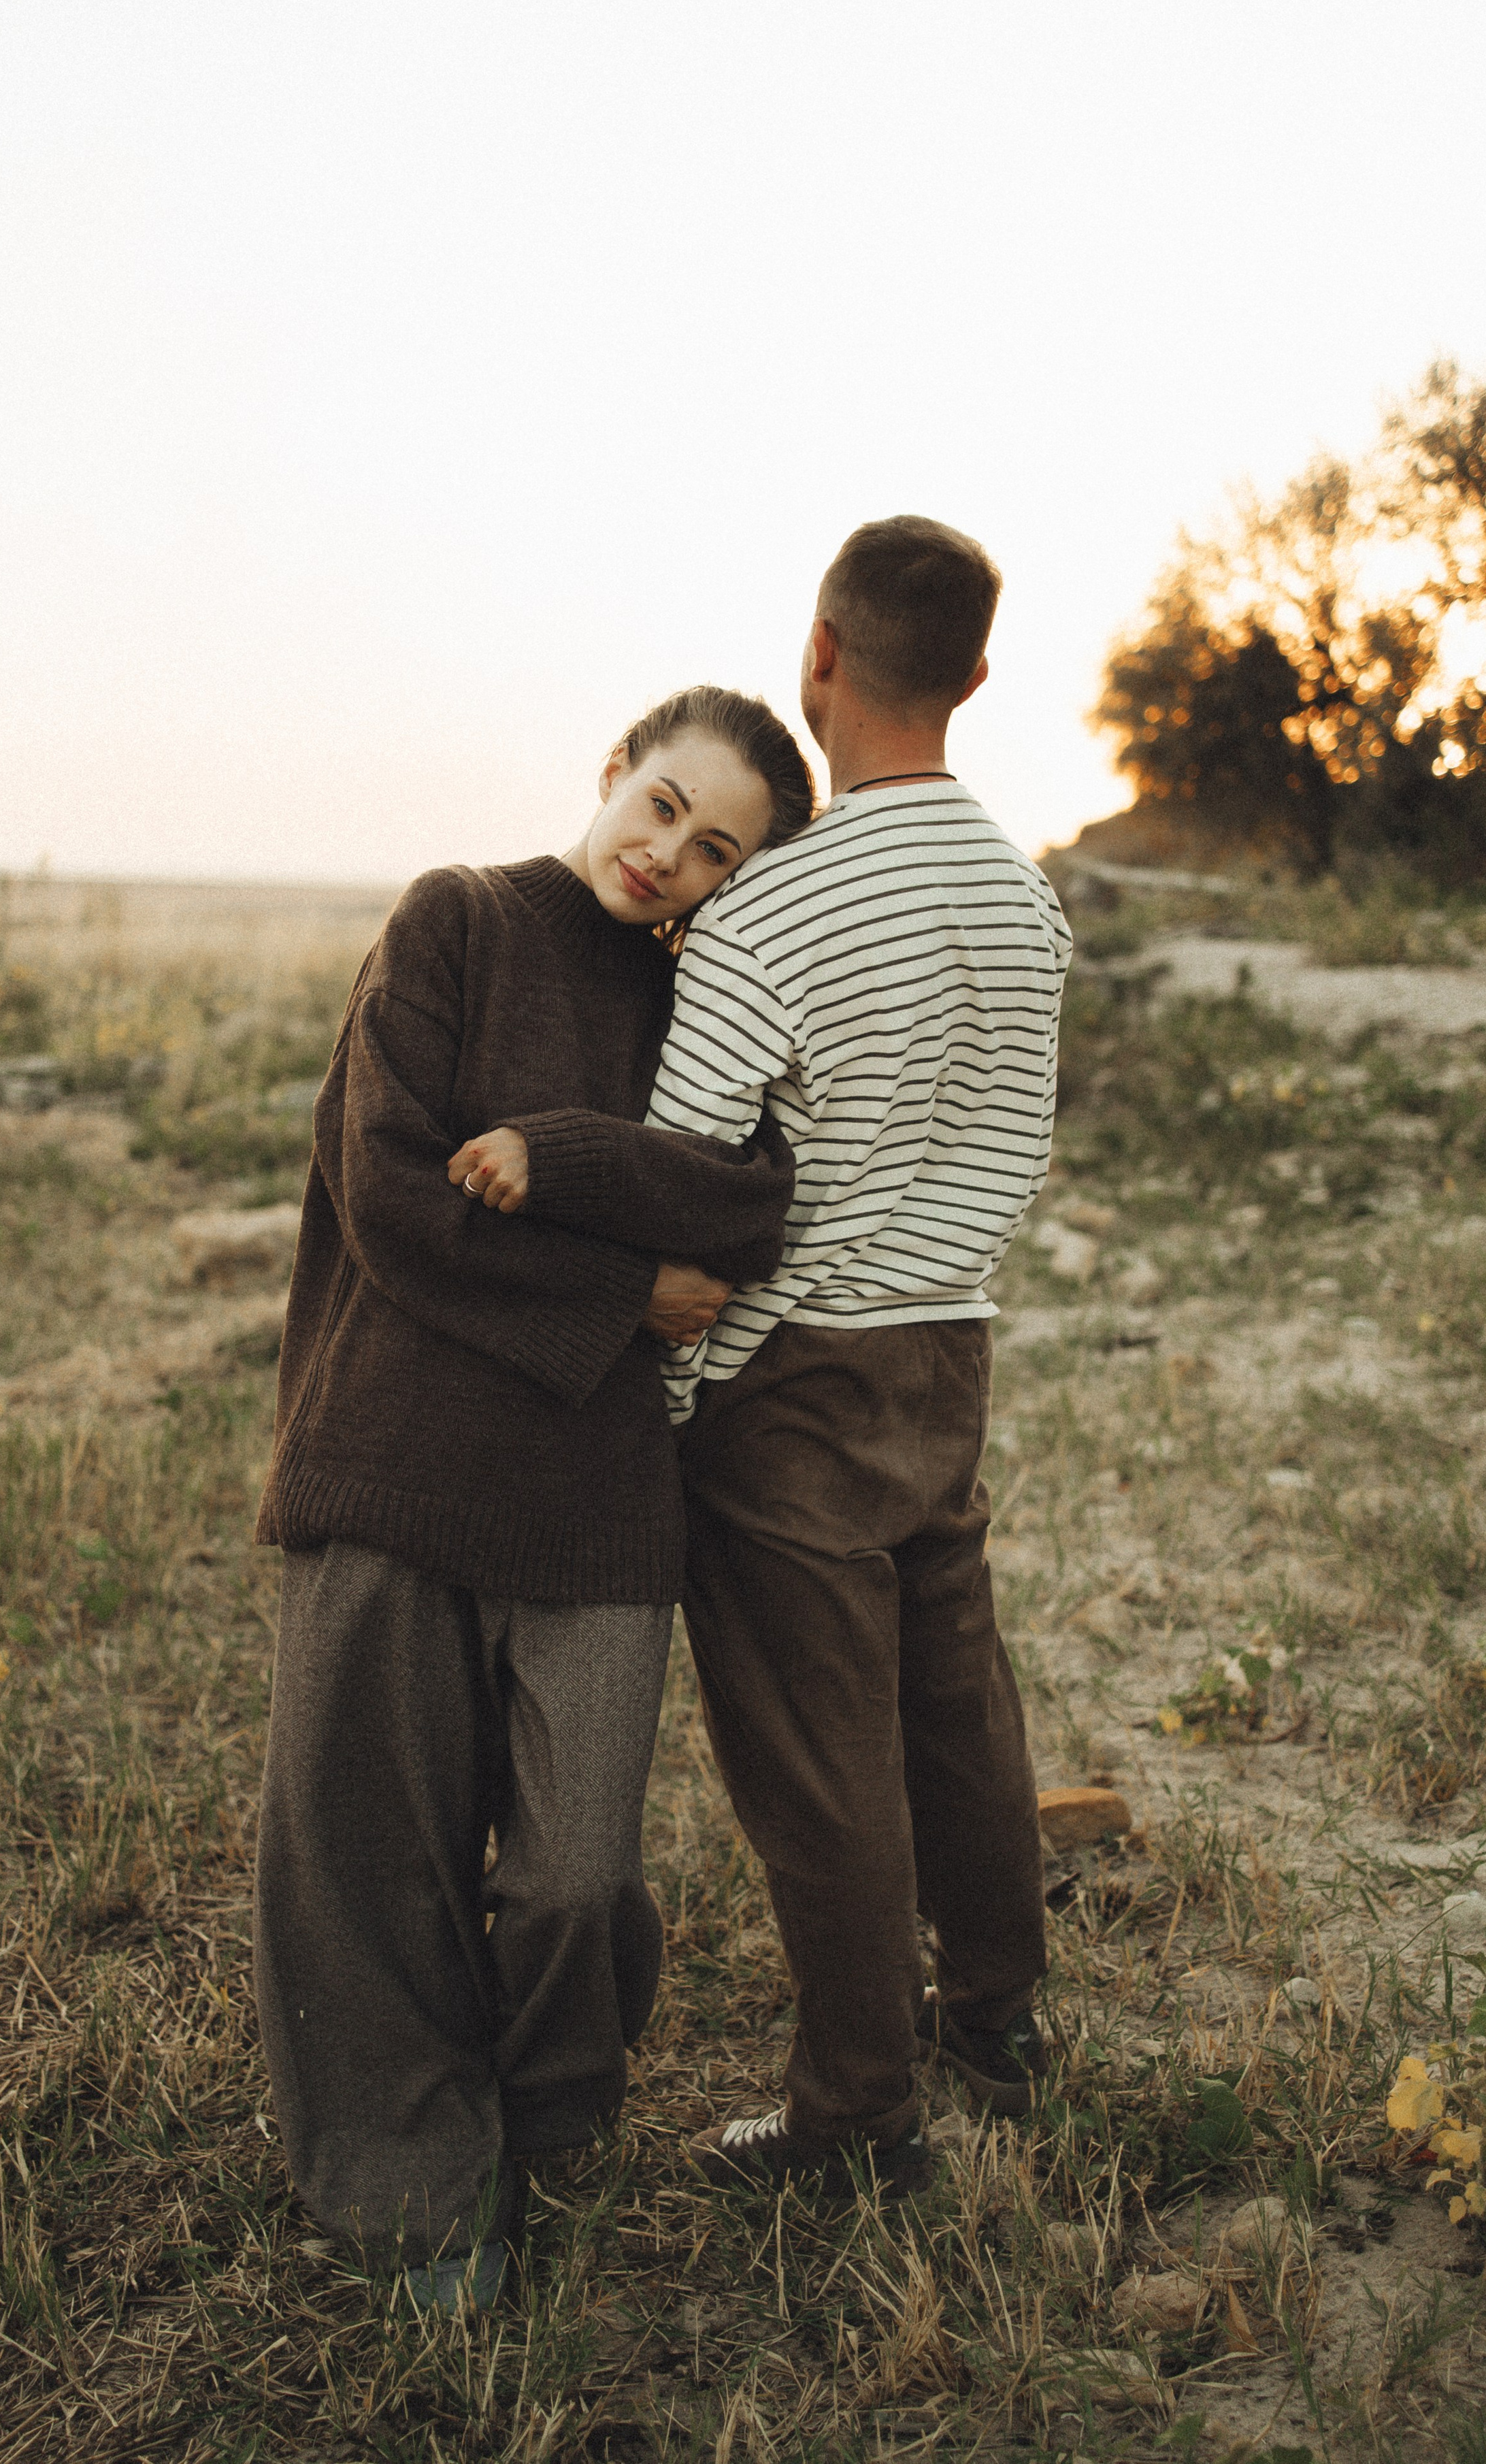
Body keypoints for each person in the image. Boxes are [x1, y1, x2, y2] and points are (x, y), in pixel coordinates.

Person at [251, 685, 814, 2307]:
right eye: (659, 806)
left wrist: (566, 1165)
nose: (666, 857)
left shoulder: (708, 1003)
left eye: (714, 851)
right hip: (393, 1450)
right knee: (372, 1851)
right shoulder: (458, 918)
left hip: (594, 1486)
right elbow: (390, 1185)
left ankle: (546, 2111)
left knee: (575, 1876)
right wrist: (622, 1296)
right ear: (614, 772)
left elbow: (754, 1204)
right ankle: (414, 2189)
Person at [644, 517, 1072, 2194]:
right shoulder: (1024, 902)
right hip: (943, 1347)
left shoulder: (768, 913)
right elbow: (1017, 1149)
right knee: (952, 1701)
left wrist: (678, 1389)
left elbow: (684, 1183)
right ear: (970, 678)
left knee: (819, 1765)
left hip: (789, 1384)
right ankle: (998, 2020)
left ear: (816, 656)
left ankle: (855, 2120)